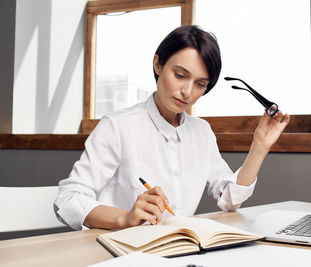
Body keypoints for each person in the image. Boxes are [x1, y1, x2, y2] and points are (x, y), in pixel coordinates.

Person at [54, 25, 290, 230]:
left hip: (175, 250)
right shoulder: (117, 127)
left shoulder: (201, 132)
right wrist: (125, 217)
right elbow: (68, 199)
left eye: (200, 84)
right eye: (179, 75)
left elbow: (229, 199)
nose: (187, 91)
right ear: (158, 64)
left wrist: (259, 146)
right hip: (120, 248)